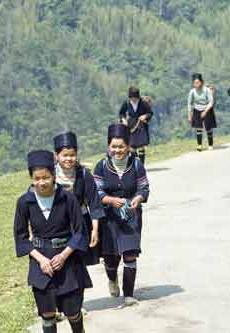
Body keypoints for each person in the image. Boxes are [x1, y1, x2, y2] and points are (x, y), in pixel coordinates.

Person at [14, 150, 91, 333]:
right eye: (37, 178)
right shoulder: (25, 202)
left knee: (73, 312)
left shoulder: (67, 198)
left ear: (54, 175)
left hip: (68, 261)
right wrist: (41, 260)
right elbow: (21, 237)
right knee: (47, 314)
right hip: (41, 264)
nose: (42, 182)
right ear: (31, 178)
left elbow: (80, 232)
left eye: (46, 177)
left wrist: (64, 256)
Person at [93, 124, 150, 307]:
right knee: (111, 258)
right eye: (113, 146)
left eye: (121, 146)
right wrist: (110, 200)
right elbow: (96, 192)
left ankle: (129, 295)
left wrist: (138, 199)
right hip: (109, 218)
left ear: (128, 146)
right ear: (108, 146)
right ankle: (112, 279)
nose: (117, 150)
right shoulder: (101, 166)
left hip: (131, 216)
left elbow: (144, 187)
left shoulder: (137, 164)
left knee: (130, 254)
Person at [53, 131, 105, 266]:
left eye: (72, 155)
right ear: (56, 156)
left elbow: (94, 203)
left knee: (80, 264)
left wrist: (94, 230)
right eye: (64, 155)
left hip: (81, 224)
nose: (68, 159)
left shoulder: (84, 174)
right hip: (57, 226)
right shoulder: (50, 175)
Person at [119, 86, 153, 165]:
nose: (134, 100)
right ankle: (136, 164)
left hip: (141, 125)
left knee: (141, 146)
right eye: (132, 98)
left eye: (135, 98)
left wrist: (145, 116)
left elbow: (150, 113)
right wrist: (123, 120)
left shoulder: (143, 103)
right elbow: (121, 113)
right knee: (132, 147)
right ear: (129, 97)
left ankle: (141, 165)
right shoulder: (126, 103)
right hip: (131, 126)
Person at [187, 73, 217, 151]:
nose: (196, 84)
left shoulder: (207, 90)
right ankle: (199, 145)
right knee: (198, 127)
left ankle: (210, 144)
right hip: (197, 109)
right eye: (194, 83)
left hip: (207, 108)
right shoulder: (192, 92)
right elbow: (189, 104)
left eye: (198, 82)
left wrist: (205, 111)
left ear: (201, 82)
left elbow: (211, 102)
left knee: (208, 127)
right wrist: (189, 115)